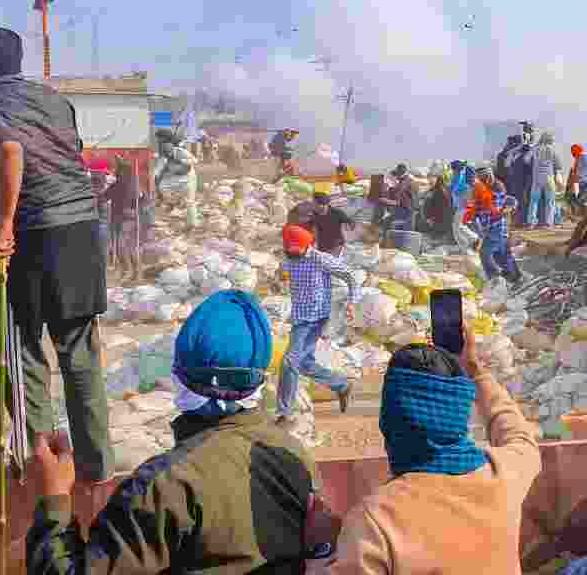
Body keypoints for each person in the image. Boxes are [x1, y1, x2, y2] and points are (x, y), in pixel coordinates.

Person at [25, 290, 337, 574]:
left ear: (179, 375)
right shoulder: (294, 457)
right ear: (259, 380)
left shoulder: (163, 486)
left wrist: (54, 498)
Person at [0, 26, 112, 484]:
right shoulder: (53, 99)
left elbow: (10, 151)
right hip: (82, 232)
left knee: (21, 351)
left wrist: (3, 223)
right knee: (80, 355)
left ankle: (43, 469)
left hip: (33, 235)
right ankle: (96, 469)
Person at [324, 337, 541, 575]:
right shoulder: (505, 475)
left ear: (389, 423)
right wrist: (475, 370)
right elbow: (518, 433)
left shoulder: (374, 521)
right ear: (460, 412)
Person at [276, 224, 356, 422]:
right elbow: (283, 270)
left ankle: (284, 413)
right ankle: (341, 384)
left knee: (289, 362)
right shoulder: (288, 256)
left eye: (292, 249)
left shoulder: (320, 259)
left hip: (314, 318)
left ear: (305, 246)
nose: (289, 252)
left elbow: (350, 276)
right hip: (298, 317)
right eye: (287, 248)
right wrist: (280, 277)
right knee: (303, 363)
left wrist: (351, 302)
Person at [475, 195, 523, 285]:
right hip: (498, 235)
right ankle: (514, 277)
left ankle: (496, 277)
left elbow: (486, 225)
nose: (511, 211)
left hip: (496, 235)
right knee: (500, 256)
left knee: (485, 253)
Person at [528, 132, 562, 229]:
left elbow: (526, 160)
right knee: (550, 201)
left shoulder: (535, 149)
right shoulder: (553, 150)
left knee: (534, 201)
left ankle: (531, 222)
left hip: (536, 178)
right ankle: (548, 223)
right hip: (549, 178)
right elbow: (558, 165)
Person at [311, 189, 356, 255]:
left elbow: (350, 223)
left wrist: (350, 226)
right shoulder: (313, 215)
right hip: (323, 248)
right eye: (313, 203)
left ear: (322, 205)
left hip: (337, 246)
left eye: (315, 203)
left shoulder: (337, 213)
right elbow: (315, 231)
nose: (313, 205)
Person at [423, 174, 455, 242]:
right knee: (439, 236)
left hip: (438, 218)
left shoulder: (438, 191)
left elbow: (434, 205)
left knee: (437, 235)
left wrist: (430, 217)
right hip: (443, 217)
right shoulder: (446, 189)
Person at [386, 165, 415, 234]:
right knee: (399, 229)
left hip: (406, 209)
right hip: (403, 208)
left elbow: (398, 192)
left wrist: (392, 186)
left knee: (404, 230)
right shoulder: (404, 180)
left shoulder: (406, 180)